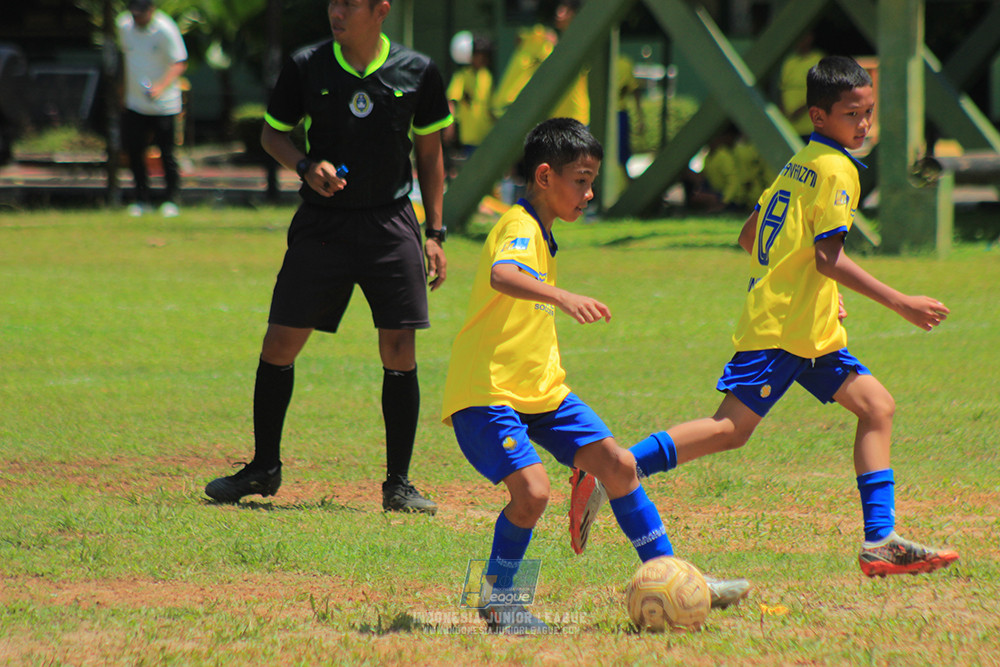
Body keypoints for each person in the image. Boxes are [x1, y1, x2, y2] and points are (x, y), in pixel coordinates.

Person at [569, 56, 960, 579]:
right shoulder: (837, 169)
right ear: (820, 117)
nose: (864, 125)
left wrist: (814, 290)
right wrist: (901, 302)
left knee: (877, 407)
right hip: (784, 331)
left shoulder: (800, 162)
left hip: (807, 329)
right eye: (852, 114)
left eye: (868, 113)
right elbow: (827, 256)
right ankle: (613, 467)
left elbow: (752, 233)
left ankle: (879, 540)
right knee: (729, 429)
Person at [441, 118, 748, 634]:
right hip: (488, 391)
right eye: (580, 180)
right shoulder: (518, 226)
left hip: (540, 389)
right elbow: (503, 275)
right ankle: (499, 603)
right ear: (544, 176)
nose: (588, 193)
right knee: (533, 494)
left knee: (619, 466)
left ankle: (677, 576)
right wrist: (563, 296)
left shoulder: (543, 229)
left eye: (591, 180)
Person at [204, 0, 452, 514]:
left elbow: (430, 154)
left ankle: (398, 484)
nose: (336, 12)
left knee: (399, 350)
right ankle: (263, 468)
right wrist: (304, 164)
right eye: (332, 3)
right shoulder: (306, 65)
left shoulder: (417, 71)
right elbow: (272, 133)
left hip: (389, 222)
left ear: (380, 9)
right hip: (323, 224)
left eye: (349, 3)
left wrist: (435, 232)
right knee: (279, 343)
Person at [115, 0, 187, 217]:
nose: (137, 18)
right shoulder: (123, 25)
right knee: (135, 152)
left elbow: (179, 62)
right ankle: (141, 199)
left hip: (164, 105)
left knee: (167, 154)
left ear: (152, 10)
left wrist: (160, 88)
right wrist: (121, 92)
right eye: (134, 14)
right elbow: (123, 57)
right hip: (134, 102)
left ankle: (171, 200)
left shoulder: (165, 28)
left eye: (141, 14)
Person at [446, 33, 495, 157]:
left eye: (485, 55)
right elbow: (451, 100)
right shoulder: (462, 76)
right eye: (479, 54)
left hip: (486, 135)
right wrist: (449, 125)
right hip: (468, 137)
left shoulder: (487, 76)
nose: (483, 58)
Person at [779, 30, 824, 142]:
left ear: (810, 38)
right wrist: (784, 112)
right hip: (790, 129)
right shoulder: (789, 62)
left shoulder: (818, 60)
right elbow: (782, 89)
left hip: (810, 128)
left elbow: (822, 92)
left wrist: (801, 110)